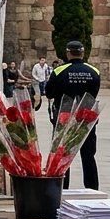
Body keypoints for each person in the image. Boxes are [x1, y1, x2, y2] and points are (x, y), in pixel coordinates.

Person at [44, 41, 100, 189]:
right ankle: (92, 189)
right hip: (86, 118)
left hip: (64, 117)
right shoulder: (94, 71)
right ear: (82, 53)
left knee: (62, 154)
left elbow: (49, 93)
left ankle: (62, 188)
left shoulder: (59, 71)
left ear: (68, 53)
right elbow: (93, 93)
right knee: (88, 155)